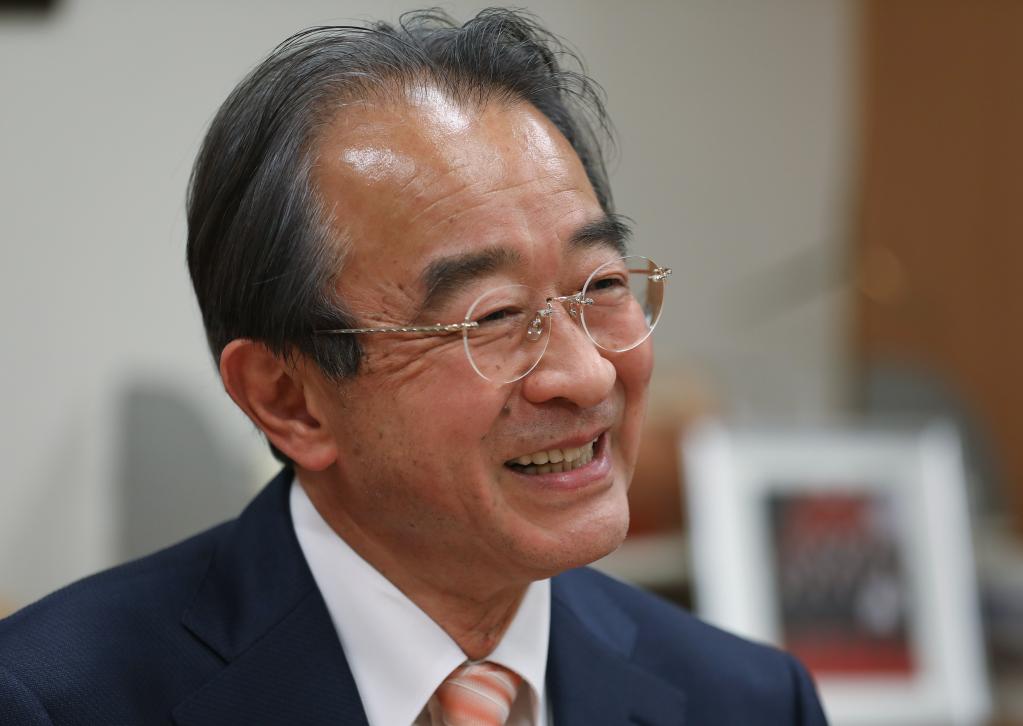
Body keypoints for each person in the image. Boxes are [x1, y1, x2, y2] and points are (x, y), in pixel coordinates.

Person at [0, 9, 828, 725]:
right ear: (289, 399)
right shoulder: (53, 701)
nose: (587, 375)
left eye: (601, 286)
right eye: (493, 316)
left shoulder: (748, 701)